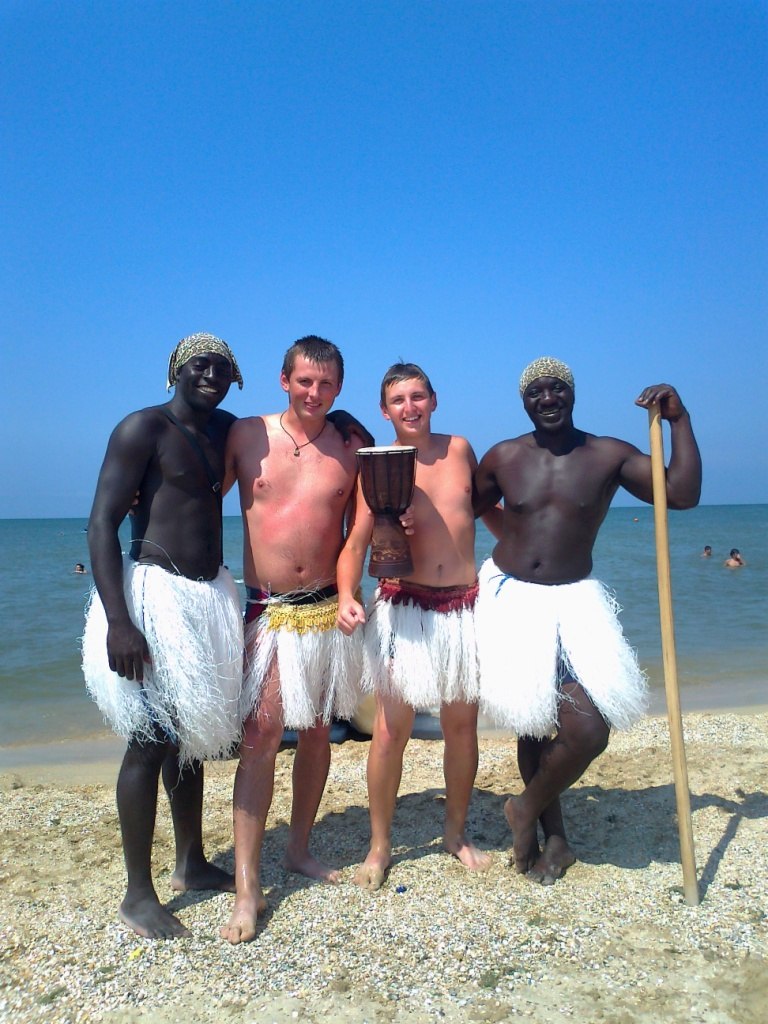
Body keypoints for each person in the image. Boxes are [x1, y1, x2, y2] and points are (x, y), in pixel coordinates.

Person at [473, 356, 702, 886]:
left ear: (572, 394)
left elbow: (682, 494)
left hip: (575, 601)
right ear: (524, 401)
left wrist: (679, 420)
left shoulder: (608, 455)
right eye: (536, 392)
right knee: (533, 722)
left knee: (587, 730)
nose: (547, 399)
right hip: (510, 597)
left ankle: (523, 809)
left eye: (556, 389)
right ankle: (554, 837)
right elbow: (458, 508)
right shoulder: (504, 456)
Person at [82, 332, 246, 939]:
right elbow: (101, 524)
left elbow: (284, 438)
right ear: (176, 370)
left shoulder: (227, 430)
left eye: (222, 368)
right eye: (199, 365)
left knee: (191, 736)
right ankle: (137, 894)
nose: (211, 375)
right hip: (154, 595)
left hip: (209, 594)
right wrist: (119, 620)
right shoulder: (142, 428)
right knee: (150, 739)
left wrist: (341, 421)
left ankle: (190, 862)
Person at [221, 335, 371, 944]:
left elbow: (359, 530)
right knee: (260, 735)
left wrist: (353, 591)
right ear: (284, 379)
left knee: (316, 732)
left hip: (327, 609)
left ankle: (299, 848)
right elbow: (197, 495)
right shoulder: (246, 436)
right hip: (268, 607)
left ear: (339, 388)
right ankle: (247, 886)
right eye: (305, 381)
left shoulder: (352, 447)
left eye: (326, 384)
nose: (315, 392)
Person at [336, 362, 502, 890]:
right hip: (401, 606)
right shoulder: (378, 466)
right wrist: (346, 595)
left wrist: (535, 547)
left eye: (417, 397)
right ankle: (379, 845)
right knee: (390, 731)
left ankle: (455, 833)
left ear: (434, 400)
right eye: (398, 400)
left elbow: (486, 511)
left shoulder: (460, 449)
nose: (409, 407)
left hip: (463, 606)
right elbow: (355, 545)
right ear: (384, 411)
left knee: (461, 727)